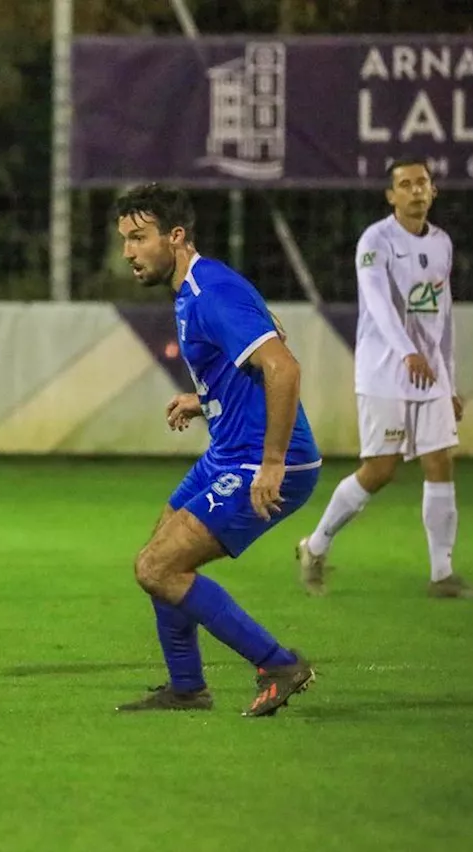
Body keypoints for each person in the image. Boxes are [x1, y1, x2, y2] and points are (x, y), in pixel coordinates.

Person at [112, 183, 319, 717]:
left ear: (176, 237)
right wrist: (204, 400)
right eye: (124, 240)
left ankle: (279, 664)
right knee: (159, 550)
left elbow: (283, 367)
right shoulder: (195, 289)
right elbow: (250, 361)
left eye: (139, 238)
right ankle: (187, 688)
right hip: (229, 450)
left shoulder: (211, 291)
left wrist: (272, 461)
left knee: (157, 567)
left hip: (267, 459)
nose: (129, 252)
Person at [296, 159, 473, 598]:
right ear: (391, 196)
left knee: (441, 461)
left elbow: (444, 317)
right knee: (380, 470)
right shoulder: (375, 241)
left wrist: (449, 380)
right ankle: (316, 545)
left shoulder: (442, 244)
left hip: (429, 373)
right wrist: (408, 352)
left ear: (433, 191)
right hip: (385, 370)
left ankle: (442, 575)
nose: (416, 190)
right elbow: (377, 304)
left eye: (422, 183)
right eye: (405, 184)